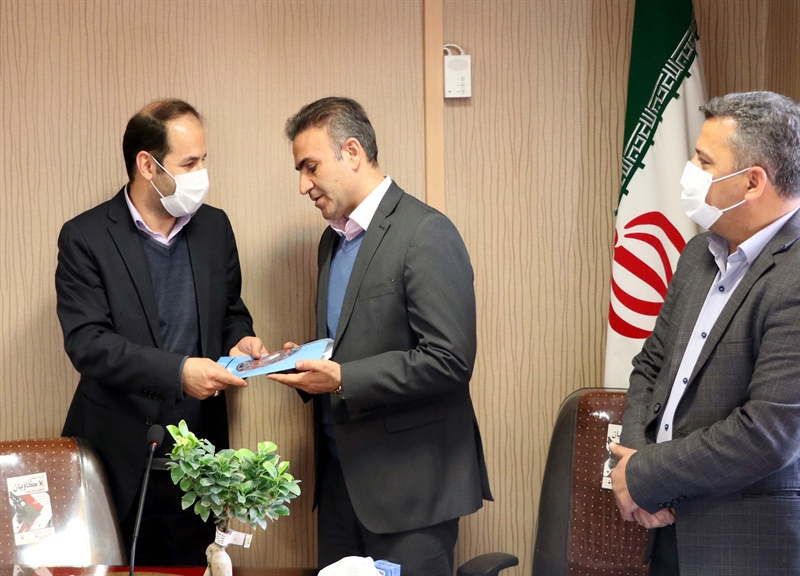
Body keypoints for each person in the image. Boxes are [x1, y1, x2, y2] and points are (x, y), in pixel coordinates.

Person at [269, 97, 492, 575]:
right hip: (340, 488)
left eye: (310, 167)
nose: (303, 185)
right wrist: (308, 359)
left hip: (411, 495)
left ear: (352, 152)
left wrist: (341, 378)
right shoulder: (332, 240)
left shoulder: (425, 232)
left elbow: (449, 359)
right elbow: (354, 339)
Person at [56, 99, 264, 565]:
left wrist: (241, 339)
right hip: (117, 457)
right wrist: (178, 372)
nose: (201, 174)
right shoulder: (86, 237)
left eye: (204, 160)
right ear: (147, 165)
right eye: (188, 164)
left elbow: (230, 311)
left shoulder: (214, 227)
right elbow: (89, 344)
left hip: (199, 463)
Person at [610, 91, 800, 576]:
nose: (688, 172)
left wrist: (644, 475)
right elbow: (650, 366)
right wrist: (635, 470)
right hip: (666, 525)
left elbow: (768, 433)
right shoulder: (700, 253)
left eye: (703, 161)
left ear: (753, 182)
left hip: (746, 545)